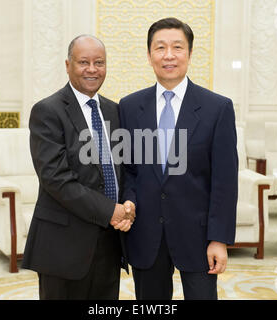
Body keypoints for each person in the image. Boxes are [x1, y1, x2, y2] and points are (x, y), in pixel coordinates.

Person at [119, 17, 238, 300]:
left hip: (197, 238)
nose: (168, 55)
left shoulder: (217, 108)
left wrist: (218, 238)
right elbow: (129, 170)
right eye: (160, 48)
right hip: (146, 235)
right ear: (149, 56)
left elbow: (224, 180)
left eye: (177, 47)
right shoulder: (130, 106)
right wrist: (128, 200)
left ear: (190, 53)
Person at [22, 35, 135, 300]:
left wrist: (128, 203)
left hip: (109, 243)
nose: (92, 69)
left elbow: (123, 169)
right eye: (84, 62)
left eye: (99, 62)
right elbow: (56, 179)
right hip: (63, 245)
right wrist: (111, 210)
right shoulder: (47, 111)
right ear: (68, 64)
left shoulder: (115, 111)